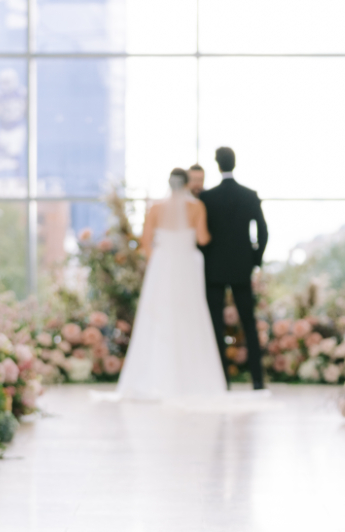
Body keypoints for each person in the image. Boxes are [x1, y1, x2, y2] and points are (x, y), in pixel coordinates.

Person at [114, 168, 226, 400]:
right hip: (186, 264)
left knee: (157, 317)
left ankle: (156, 377)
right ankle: (192, 379)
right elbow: (203, 238)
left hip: (163, 265)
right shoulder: (196, 207)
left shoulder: (155, 208)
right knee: (190, 316)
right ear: (186, 184)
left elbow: (146, 242)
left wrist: (159, 260)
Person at [198, 147, 268, 390]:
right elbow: (263, 232)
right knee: (249, 322)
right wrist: (254, 259)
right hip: (241, 268)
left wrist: (206, 258)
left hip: (213, 269)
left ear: (217, 165)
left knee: (216, 324)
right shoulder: (249, 195)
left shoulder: (207, 198)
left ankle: (222, 381)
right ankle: (257, 380)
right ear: (234, 163)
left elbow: (201, 236)